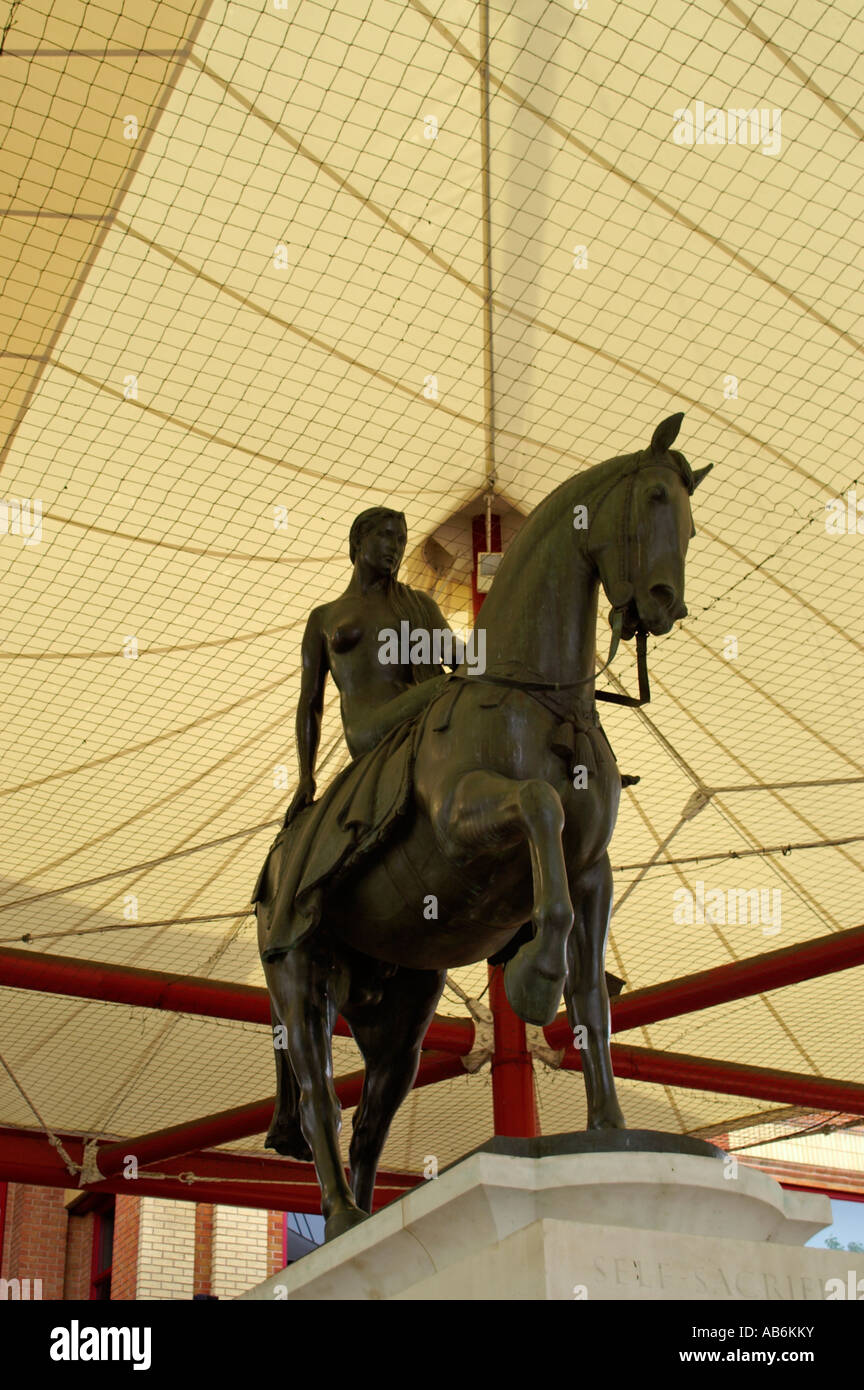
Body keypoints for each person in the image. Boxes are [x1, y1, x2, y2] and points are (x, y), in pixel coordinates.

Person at [283, 506, 454, 825]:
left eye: (402, 540)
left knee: (471, 686)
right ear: (358, 539)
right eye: (387, 535)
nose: (396, 547)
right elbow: (310, 703)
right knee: (452, 687)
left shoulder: (418, 605)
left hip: (419, 713)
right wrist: (306, 776)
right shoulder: (324, 617)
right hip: (367, 729)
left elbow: (462, 661)